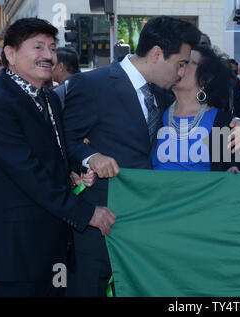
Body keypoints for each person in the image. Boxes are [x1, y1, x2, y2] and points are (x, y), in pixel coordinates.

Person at [63, 16, 201, 296]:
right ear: (157, 54)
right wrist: (91, 157)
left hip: (143, 225)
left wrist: (233, 123)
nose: (181, 72)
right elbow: (65, 140)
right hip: (100, 223)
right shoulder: (91, 84)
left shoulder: (161, 95)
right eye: (181, 63)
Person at [0, 18, 115, 297]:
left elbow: (51, 153)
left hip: (53, 246)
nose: (48, 55)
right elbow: (27, 172)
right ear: (10, 54)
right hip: (14, 253)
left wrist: (74, 171)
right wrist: (87, 212)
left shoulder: (49, 98)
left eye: (52, 47)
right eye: (38, 47)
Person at [153, 45, 240, 172]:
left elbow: (235, 169)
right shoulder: (156, 108)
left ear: (205, 78)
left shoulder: (223, 122)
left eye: (186, 62)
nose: (178, 64)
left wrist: (233, 171)